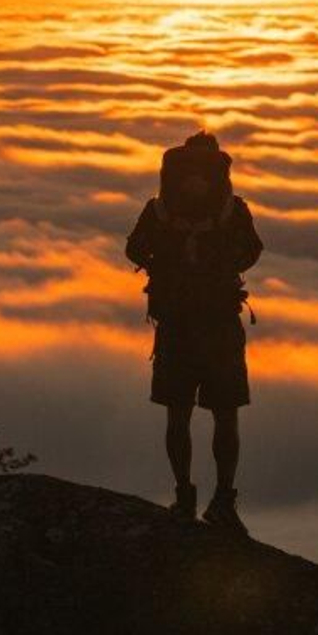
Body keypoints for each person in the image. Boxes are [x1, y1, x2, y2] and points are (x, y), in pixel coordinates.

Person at [125, 131, 263, 533]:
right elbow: (253, 250)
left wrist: (164, 266)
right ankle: (223, 500)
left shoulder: (160, 209)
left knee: (177, 415)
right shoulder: (231, 209)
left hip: (176, 325)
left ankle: (183, 495)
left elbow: (133, 249)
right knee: (226, 416)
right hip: (220, 324)